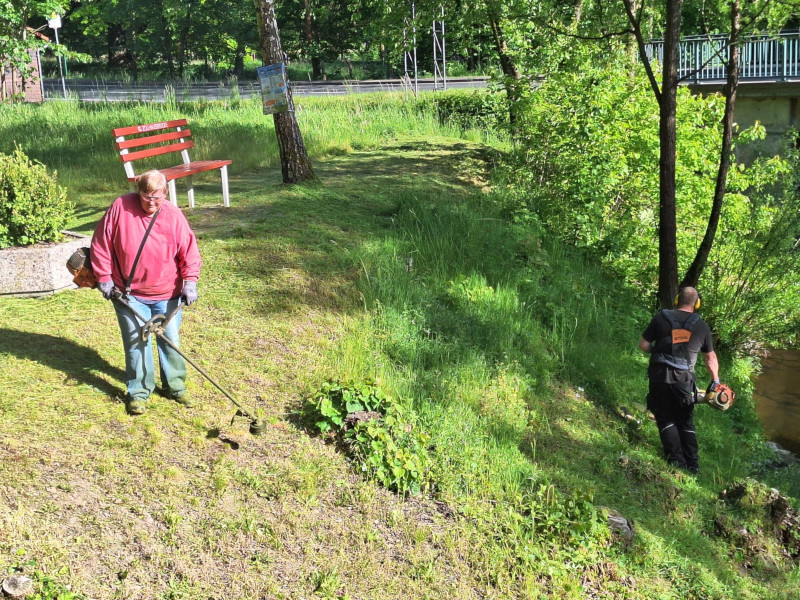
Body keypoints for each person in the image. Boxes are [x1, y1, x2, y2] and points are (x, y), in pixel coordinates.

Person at [90, 170, 202, 415]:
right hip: (128, 294)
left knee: (170, 342)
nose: (151, 202)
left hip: (167, 293)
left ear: (166, 193)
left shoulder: (173, 215)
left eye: (157, 197)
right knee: (136, 344)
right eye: (146, 195)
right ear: (138, 191)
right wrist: (104, 277)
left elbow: (189, 252)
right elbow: (101, 243)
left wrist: (190, 282)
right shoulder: (120, 207)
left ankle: (175, 388)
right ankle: (139, 393)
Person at [638, 287, 719, 474]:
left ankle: (676, 462)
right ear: (696, 304)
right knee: (684, 420)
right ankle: (693, 465)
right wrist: (715, 380)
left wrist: (657, 352)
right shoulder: (702, 325)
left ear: (677, 300)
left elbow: (643, 345)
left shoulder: (661, 317)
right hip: (684, 379)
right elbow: (710, 358)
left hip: (659, 375)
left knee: (664, 416)